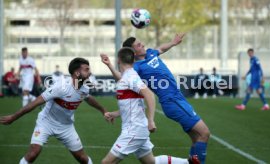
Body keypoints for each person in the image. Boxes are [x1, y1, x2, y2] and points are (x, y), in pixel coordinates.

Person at [101, 34, 210, 164]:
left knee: (196, 137)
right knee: (204, 133)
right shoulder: (137, 67)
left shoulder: (151, 53)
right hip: (172, 100)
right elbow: (123, 76)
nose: (143, 45)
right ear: (133, 52)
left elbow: (161, 49)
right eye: (138, 45)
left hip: (177, 99)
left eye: (141, 43)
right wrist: (110, 66)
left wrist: (173, 42)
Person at [0, 57, 110, 164]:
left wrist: (103, 110)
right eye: (86, 69)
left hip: (66, 126)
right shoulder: (61, 87)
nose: (90, 73)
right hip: (46, 122)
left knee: (82, 158)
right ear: (77, 73)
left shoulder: (85, 87)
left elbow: (88, 98)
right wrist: (13, 117)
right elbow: (34, 103)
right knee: (33, 154)